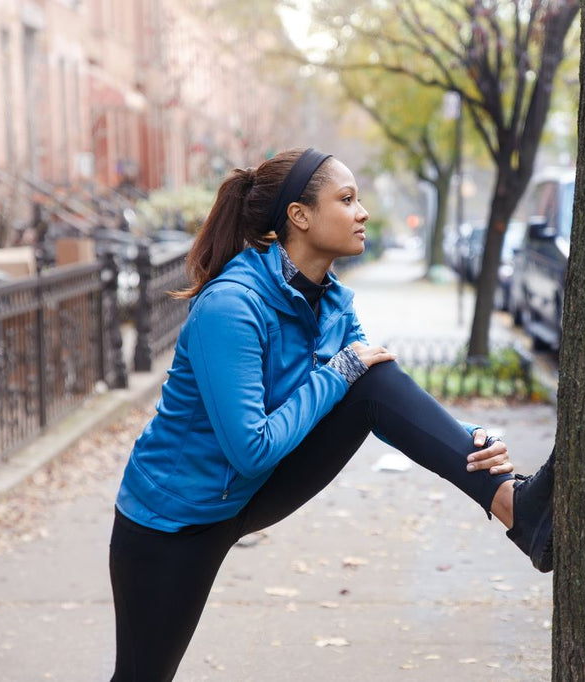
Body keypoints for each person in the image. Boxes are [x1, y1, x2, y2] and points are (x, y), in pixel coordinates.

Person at [108, 147, 554, 681]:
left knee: (373, 378)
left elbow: (380, 397)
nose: (363, 212)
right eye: (347, 199)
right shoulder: (231, 307)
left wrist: (470, 442)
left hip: (244, 496)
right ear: (299, 216)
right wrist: (337, 372)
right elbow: (250, 449)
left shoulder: (331, 300)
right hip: (171, 522)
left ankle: (514, 505)